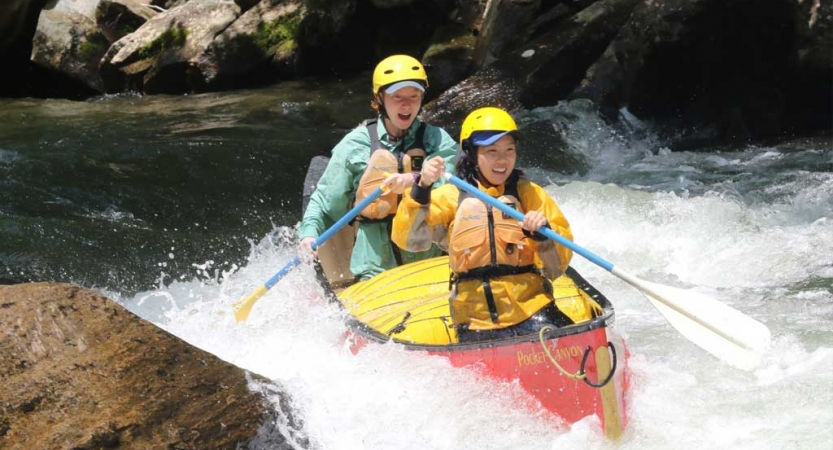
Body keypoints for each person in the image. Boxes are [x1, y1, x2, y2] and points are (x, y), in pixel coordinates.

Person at [391, 107, 575, 342]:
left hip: (533, 310)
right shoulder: (451, 197)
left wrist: (543, 236)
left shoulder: (530, 195)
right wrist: (422, 187)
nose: (502, 160)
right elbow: (409, 240)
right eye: (492, 151)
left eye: (509, 150)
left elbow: (557, 267)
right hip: (474, 319)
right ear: (471, 153)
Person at [297, 54, 458, 281]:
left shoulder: (437, 140)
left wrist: (413, 179)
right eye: (397, 97)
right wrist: (308, 234)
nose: (406, 104)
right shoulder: (356, 144)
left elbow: (453, 192)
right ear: (380, 98)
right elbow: (325, 201)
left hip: (429, 259)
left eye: (414, 96)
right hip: (374, 266)